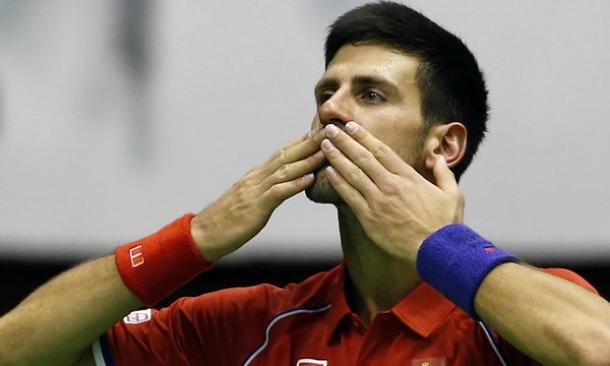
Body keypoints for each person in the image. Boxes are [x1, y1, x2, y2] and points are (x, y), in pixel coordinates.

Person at [1, 2, 609, 365]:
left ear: (444, 146)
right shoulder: (256, 324)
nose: (333, 111)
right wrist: (195, 238)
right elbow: (16, 349)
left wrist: (438, 244)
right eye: (327, 92)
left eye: (370, 94)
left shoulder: (512, 317)